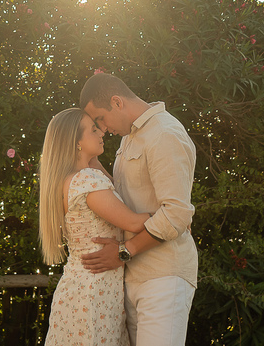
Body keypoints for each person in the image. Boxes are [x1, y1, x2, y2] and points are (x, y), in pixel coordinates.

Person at [79, 73, 197, 346]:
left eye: (100, 119)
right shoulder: (130, 138)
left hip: (163, 273)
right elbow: (123, 200)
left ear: (117, 102)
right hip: (132, 274)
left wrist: (123, 252)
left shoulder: (164, 134)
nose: (102, 128)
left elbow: (176, 214)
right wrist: (87, 159)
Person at [39, 107, 153, 346]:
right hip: (94, 297)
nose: (101, 132)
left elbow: (116, 197)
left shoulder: (72, 179)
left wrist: (93, 159)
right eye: (93, 129)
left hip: (80, 291)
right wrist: (174, 217)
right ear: (76, 142)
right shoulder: (87, 181)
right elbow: (132, 221)